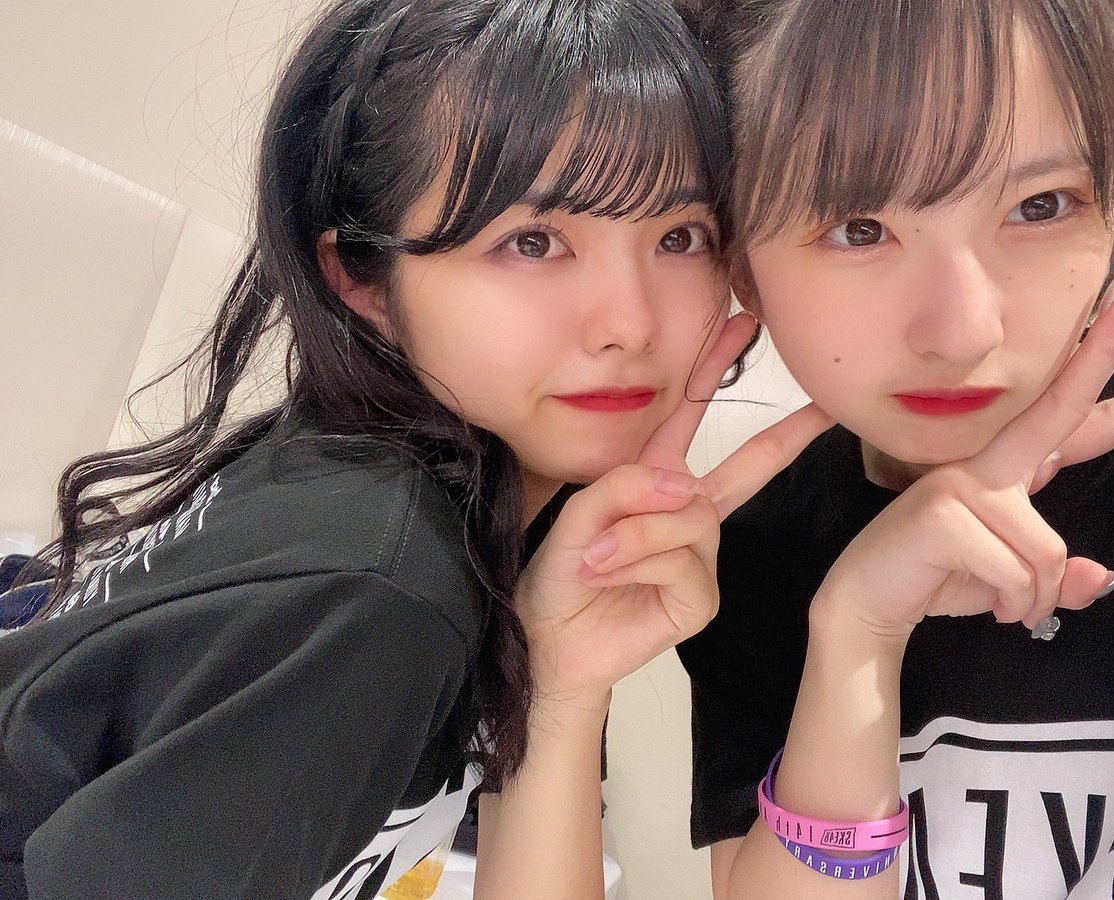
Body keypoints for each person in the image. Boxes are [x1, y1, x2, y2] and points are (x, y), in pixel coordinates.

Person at [0, 2, 825, 897]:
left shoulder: (443, 501)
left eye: (680, 237)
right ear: (362, 279)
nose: (630, 322)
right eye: (533, 242)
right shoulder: (375, 592)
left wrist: (562, 684)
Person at [674, 1, 1114, 897]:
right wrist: (856, 633)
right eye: (858, 228)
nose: (963, 332)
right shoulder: (752, 548)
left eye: (1039, 206)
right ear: (740, 268)